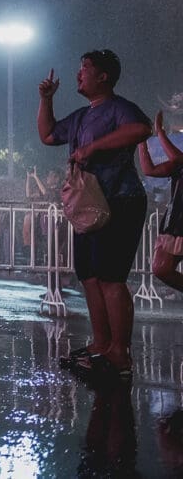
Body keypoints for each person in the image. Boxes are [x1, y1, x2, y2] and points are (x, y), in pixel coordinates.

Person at [38, 50, 150, 379]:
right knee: (89, 276)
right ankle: (101, 343)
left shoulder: (118, 108)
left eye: (85, 68)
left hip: (120, 200)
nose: (79, 74)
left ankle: (120, 353)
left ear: (104, 77)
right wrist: (46, 100)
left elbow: (141, 129)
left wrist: (93, 147)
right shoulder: (81, 115)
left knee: (111, 278)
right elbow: (48, 135)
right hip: (89, 206)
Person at [138, 110, 183, 293]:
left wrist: (160, 132)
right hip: (176, 221)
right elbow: (149, 170)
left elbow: (177, 158)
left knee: (162, 267)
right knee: (161, 268)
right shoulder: (179, 163)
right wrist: (141, 142)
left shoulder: (179, 159)